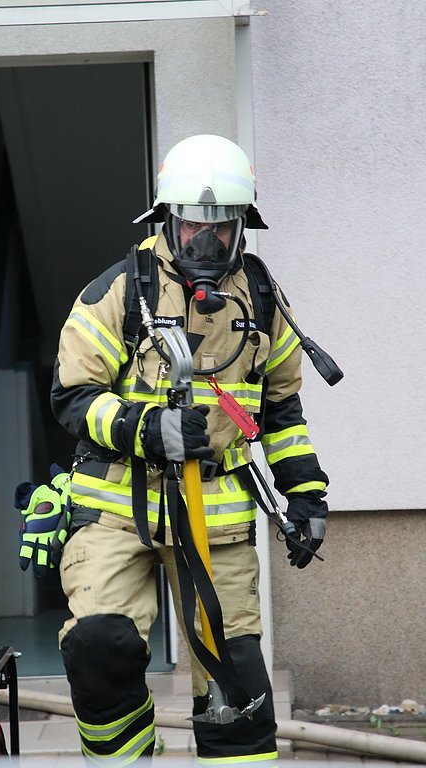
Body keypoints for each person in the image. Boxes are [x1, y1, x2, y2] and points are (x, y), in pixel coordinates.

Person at [49, 134, 329, 765]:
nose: (206, 244)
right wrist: (147, 429)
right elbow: (72, 397)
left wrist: (306, 493)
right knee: (100, 649)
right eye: (192, 226)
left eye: (221, 229)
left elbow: (281, 410)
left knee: (238, 688)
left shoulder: (260, 302)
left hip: (217, 518)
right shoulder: (120, 293)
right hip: (118, 510)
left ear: (242, 229)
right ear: (165, 222)